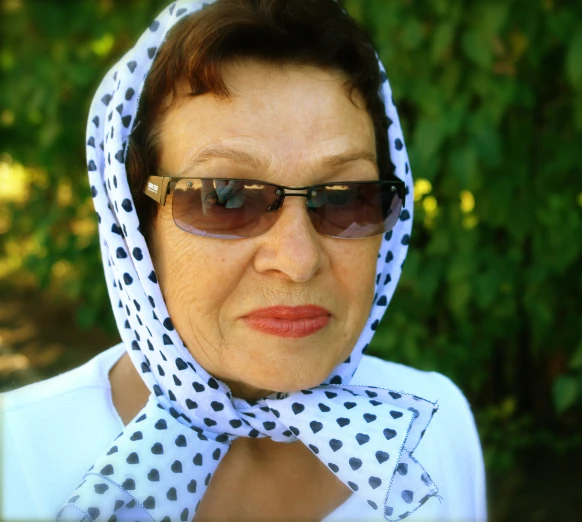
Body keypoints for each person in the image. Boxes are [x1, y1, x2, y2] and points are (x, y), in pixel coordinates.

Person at [0, 1, 486, 520]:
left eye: (346, 196)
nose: (298, 261)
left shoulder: (432, 425)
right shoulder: (17, 459)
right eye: (225, 197)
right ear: (135, 224)